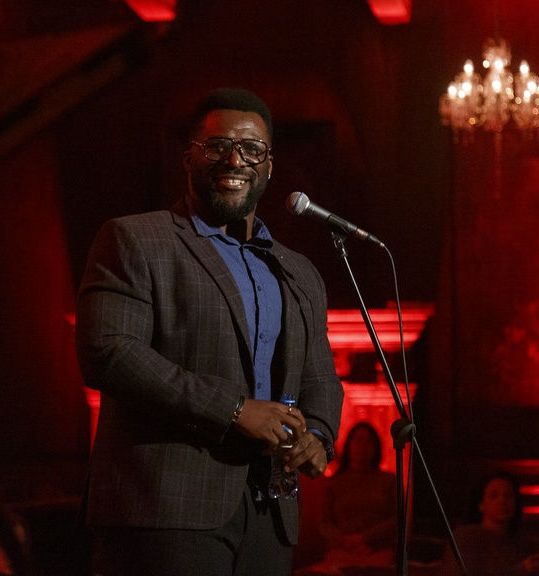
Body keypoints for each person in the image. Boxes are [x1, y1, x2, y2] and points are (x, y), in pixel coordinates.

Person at [76, 87, 344, 576]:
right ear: (189, 159)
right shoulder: (136, 238)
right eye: (218, 146)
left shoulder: (299, 271)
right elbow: (107, 352)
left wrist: (319, 436)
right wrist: (235, 410)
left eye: (252, 149)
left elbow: (321, 378)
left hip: (270, 512)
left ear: (269, 166)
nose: (235, 160)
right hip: (165, 509)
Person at [302, 422, 397, 574]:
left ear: (376, 447)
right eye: (358, 440)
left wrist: (364, 539)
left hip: (377, 552)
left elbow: (396, 519)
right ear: (349, 444)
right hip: (342, 552)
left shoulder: (388, 481)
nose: (363, 446)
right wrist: (346, 542)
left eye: (369, 442)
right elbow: (323, 523)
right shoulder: (334, 483)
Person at [453, 470, 539, 576]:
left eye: (508, 496)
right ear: (481, 504)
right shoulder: (466, 538)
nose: (502, 501)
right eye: (493, 496)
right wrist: (522, 569)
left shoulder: (523, 544)